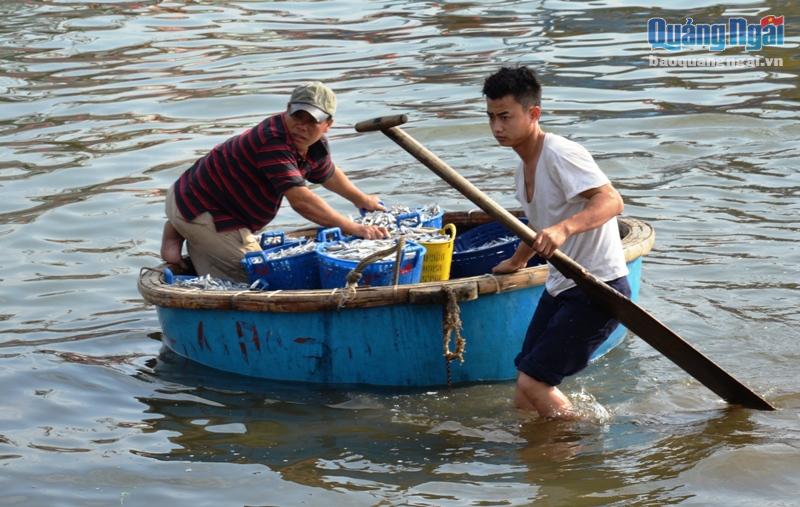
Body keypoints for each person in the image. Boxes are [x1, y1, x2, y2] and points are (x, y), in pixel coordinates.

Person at [483, 66, 630, 419]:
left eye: (506, 117)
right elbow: (538, 225)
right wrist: (518, 261)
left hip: (598, 287)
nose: (497, 127)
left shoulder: (561, 153)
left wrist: (564, 230)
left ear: (534, 114)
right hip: (561, 286)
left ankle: (580, 443)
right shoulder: (522, 169)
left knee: (535, 384)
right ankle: (537, 459)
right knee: (523, 384)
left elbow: (612, 201)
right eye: (490, 117)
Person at [160, 81, 389, 281]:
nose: (302, 125)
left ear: (327, 125)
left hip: (193, 195)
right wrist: (353, 227)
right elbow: (302, 202)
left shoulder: (313, 144)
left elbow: (327, 174)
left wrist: (363, 200)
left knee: (223, 267)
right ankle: (184, 223)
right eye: (297, 116)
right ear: (287, 110)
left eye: (312, 120)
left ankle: (179, 226)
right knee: (252, 274)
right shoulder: (274, 142)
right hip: (207, 210)